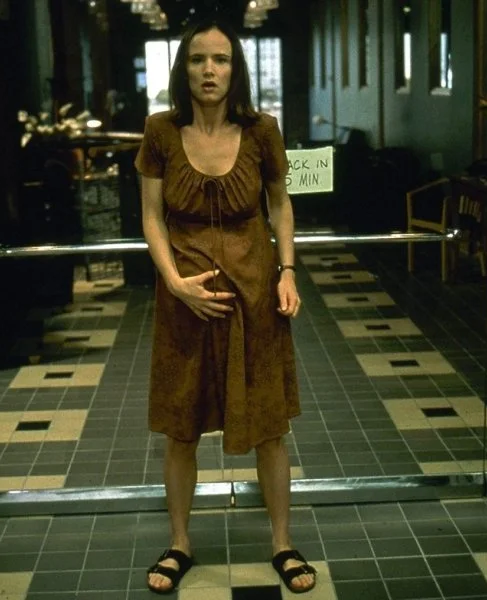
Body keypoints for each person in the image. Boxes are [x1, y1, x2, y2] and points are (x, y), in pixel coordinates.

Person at [134, 17, 317, 595]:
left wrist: (288, 272)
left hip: (255, 293)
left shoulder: (262, 130)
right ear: (183, 68)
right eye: (197, 59)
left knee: (269, 425)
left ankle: (282, 542)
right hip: (185, 299)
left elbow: (280, 205)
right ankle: (180, 542)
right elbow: (151, 217)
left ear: (235, 70)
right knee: (180, 426)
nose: (209, 70)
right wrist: (174, 283)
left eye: (220, 59)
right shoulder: (160, 131)